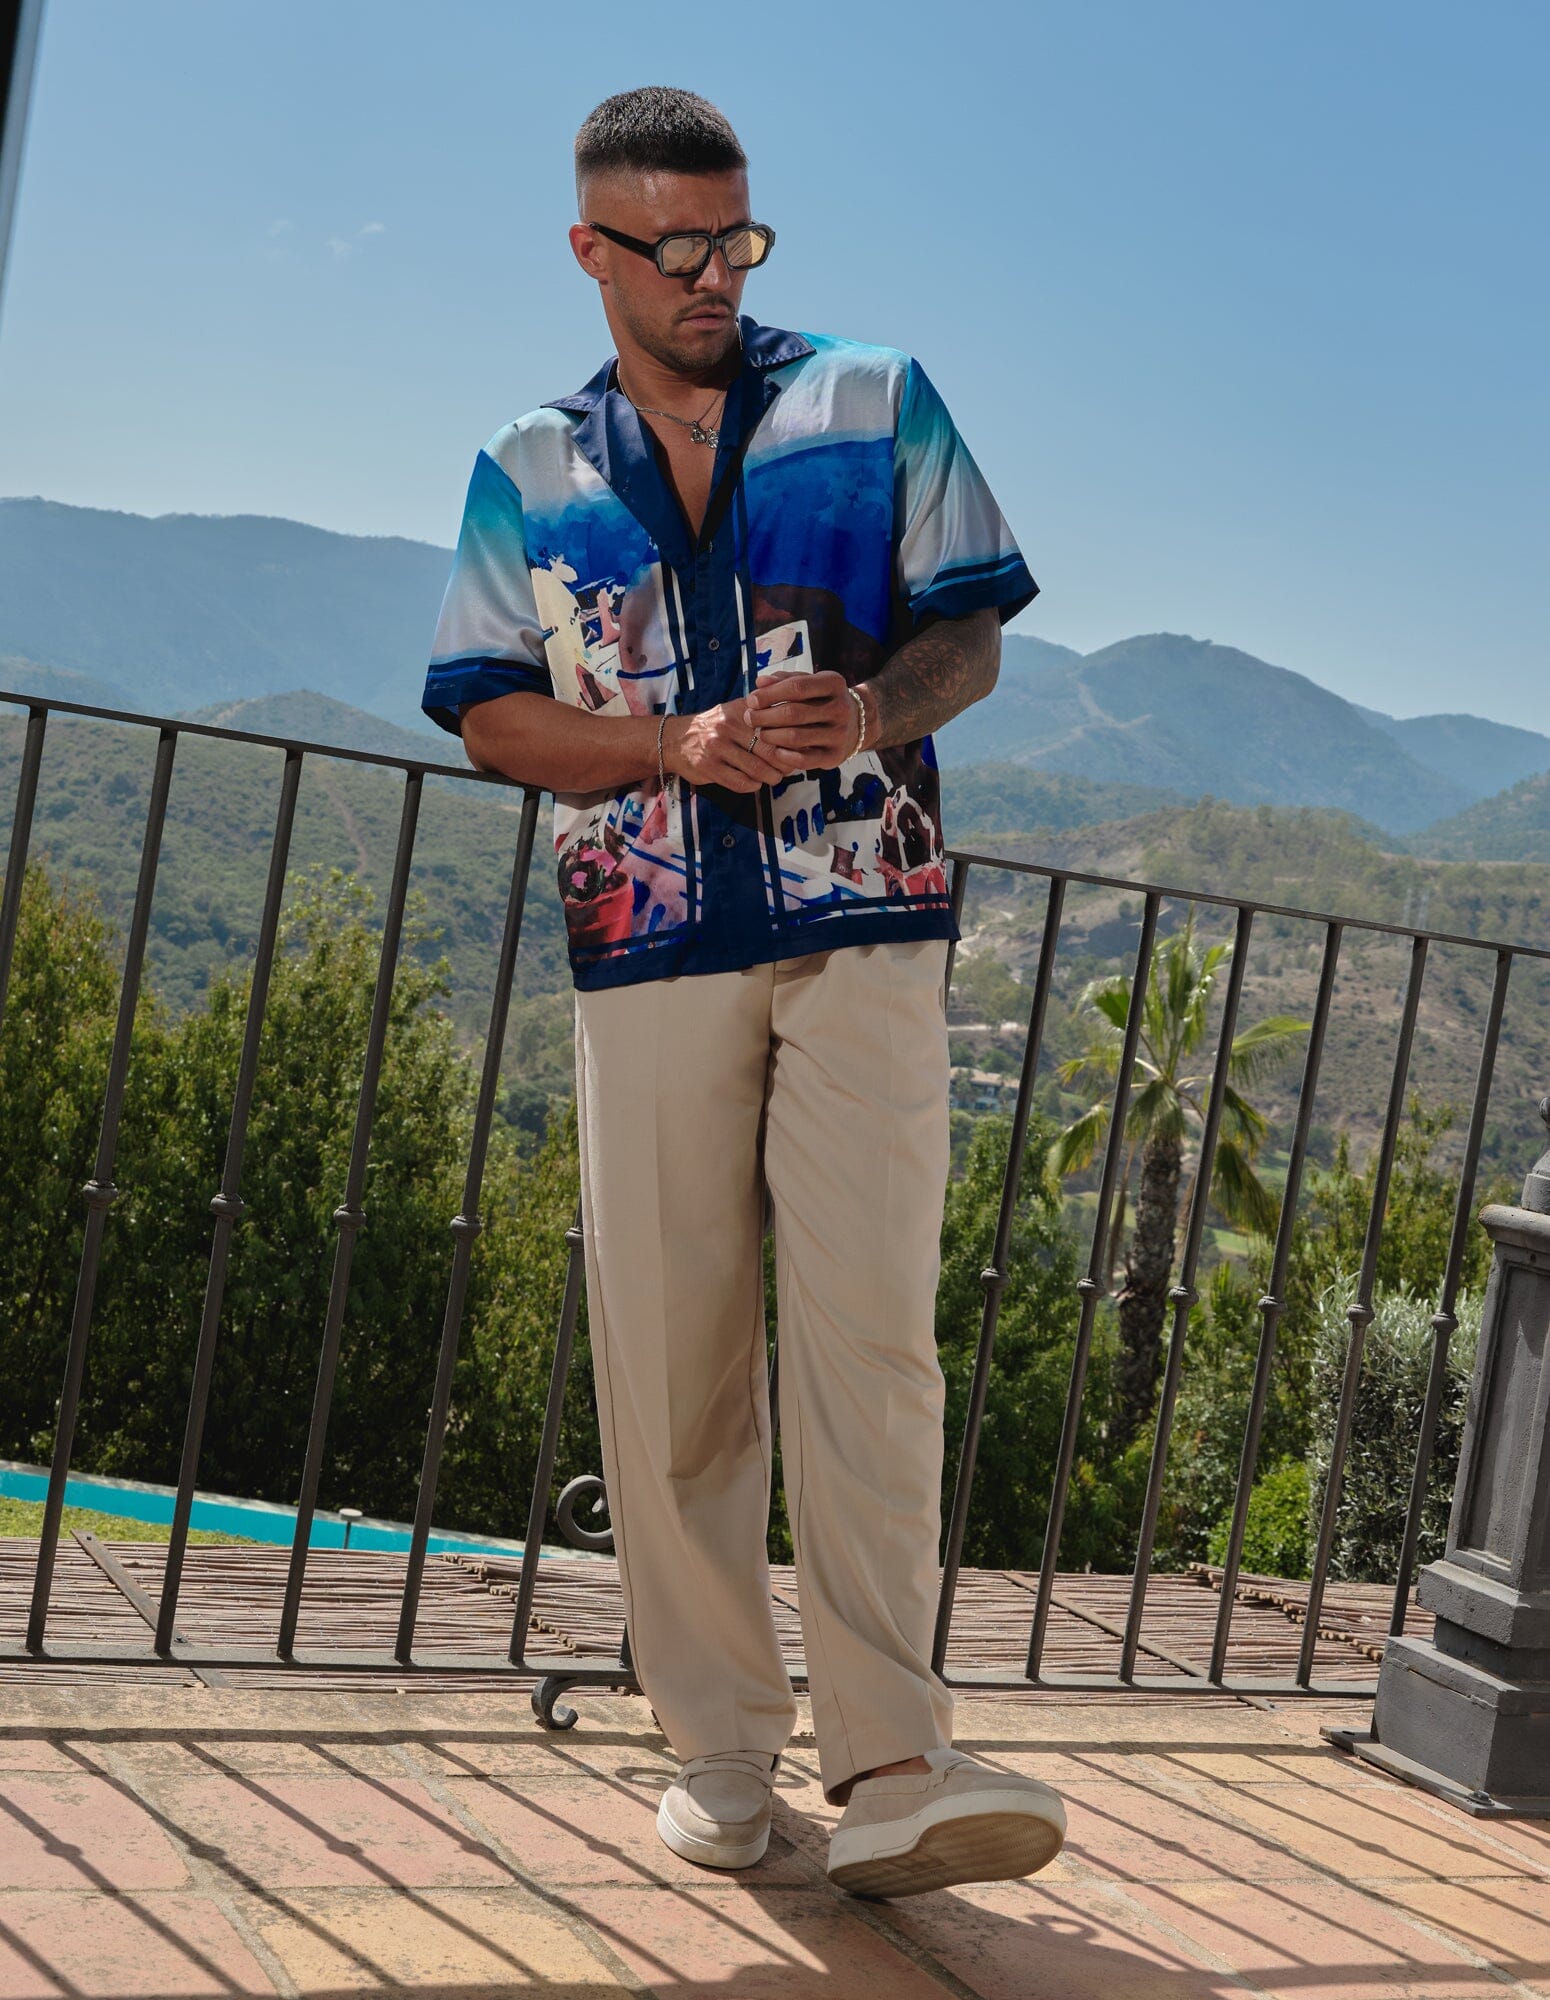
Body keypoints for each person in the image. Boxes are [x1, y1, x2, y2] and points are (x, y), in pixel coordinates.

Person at [421, 85, 1066, 1899]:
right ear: (590, 249)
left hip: (866, 918)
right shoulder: (526, 465)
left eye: (737, 239)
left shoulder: (873, 396)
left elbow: (969, 631)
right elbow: (488, 715)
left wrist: (867, 708)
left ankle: (895, 1762)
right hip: (643, 944)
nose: (714, 274)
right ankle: (714, 1751)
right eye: (675, 248)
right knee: (674, 1364)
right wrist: (668, 744)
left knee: (872, 1342)